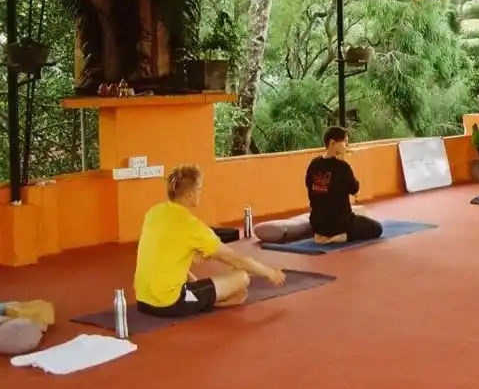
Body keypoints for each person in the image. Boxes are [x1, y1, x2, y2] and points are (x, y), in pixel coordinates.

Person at [134, 164, 287, 318]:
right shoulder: (191, 226)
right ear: (190, 195)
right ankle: (214, 302)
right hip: (169, 304)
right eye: (199, 189)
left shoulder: (154, 213)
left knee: (194, 275)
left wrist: (195, 262)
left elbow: (163, 255)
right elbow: (236, 260)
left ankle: (204, 296)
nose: (201, 193)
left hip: (143, 301)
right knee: (241, 277)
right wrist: (270, 273)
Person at [306, 126, 383, 244]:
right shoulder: (342, 167)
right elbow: (356, 190)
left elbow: (310, 188)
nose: (347, 145)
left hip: (317, 224)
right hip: (340, 224)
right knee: (377, 228)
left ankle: (321, 235)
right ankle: (337, 238)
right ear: (332, 143)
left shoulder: (313, 164)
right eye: (345, 142)